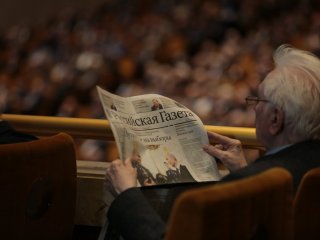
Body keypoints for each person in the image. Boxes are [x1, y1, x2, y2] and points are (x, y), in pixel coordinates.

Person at [104, 44, 320, 240]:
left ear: (275, 119)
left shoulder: (244, 185)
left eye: (259, 100)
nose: (254, 108)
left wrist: (127, 194)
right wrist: (244, 170)